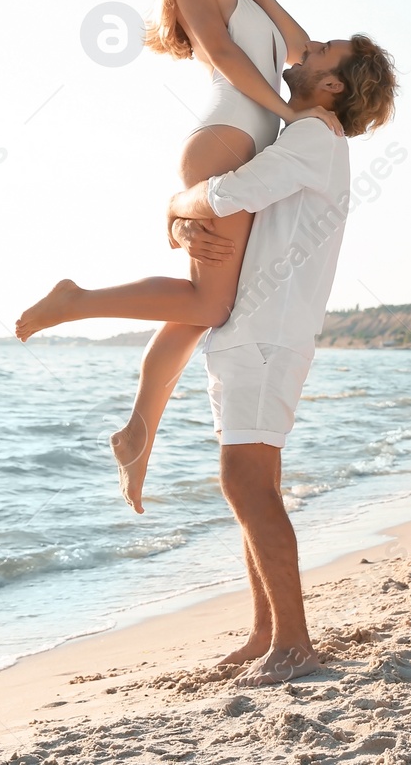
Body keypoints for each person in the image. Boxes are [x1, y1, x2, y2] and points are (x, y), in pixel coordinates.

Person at [14, 0, 341, 513]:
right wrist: (287, 116)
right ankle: (76, 302)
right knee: (208, 302)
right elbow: (221, 53)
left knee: (205, 307)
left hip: (248, 147)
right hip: (225, 140)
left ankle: (139, 436)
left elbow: (299, 48)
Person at [168, 36, 398, 685]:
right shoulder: (314, 135)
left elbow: (227, 193)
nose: (306, 46)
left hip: (265, 335)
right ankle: (267, 631)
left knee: (246, 483)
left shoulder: (315, 138)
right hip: (264, 332)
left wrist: (174, 204)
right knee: (253, 484)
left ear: (332, 87)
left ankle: (293, 642)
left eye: (323, 50)